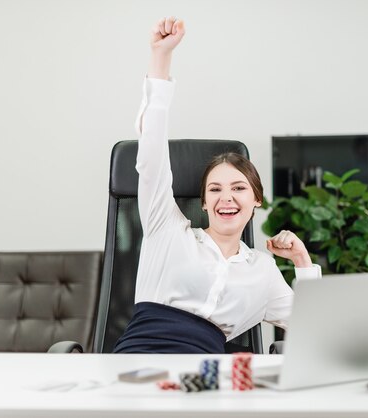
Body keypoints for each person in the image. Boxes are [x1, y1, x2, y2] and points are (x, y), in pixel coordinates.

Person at [113, 17, 321, 354]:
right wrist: (160, 56)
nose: (227, 197)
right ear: (205, 203)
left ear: (257, 200)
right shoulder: (165, 228)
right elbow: (151, 152)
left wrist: (302, 262)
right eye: (215, 190)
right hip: (138, 362)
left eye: (239, 188)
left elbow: (317, 330)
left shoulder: (263, 272)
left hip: (205, 377)